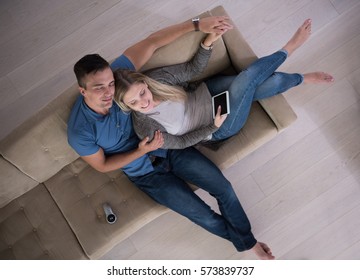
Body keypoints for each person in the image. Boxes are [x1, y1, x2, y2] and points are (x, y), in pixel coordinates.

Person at [67, 16, 274, 259]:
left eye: (109, 84)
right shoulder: (79, 131)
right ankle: (249, 244)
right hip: (146, 174)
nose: (108, 92)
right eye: (98, 88)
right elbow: (102, 165)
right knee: (200, 213)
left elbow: (153, 41)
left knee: (224, 188)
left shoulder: (120, 82)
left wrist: (198, 25)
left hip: (172, 149)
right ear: (83, 91)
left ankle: (247, 242)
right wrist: (141, 151)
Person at [114, 19, 334, 149]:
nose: (144, 102)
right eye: (134, 102)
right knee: (248, 79)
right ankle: (290, 48)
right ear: (127, 106)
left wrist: (208, 41)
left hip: (208, 93)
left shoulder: (156, 80)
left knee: (271, 80)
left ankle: (302, 78)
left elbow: (192, 70)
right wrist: (213, 126)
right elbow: (180, 143)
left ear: (144, 82)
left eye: (142, 92)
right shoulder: (145, 127)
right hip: (217, 125)